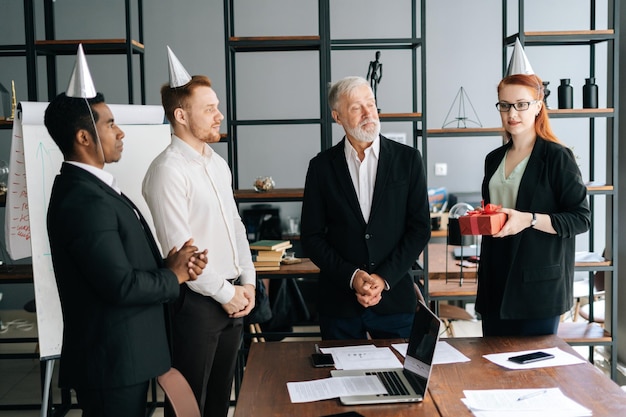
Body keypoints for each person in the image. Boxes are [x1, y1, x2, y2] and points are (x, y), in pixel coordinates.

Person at [45, 92, 207, 417]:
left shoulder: (96, 189)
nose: (121, 132)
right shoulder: (83, 199)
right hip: (110, 362)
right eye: (111, 124)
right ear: (83, 137)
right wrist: (172, 275)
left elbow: (120, 267)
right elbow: (120, 286)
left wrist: (176, 266)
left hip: (126, 358)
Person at [142, 74, 256, 417]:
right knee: (188, 405)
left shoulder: (217, 164)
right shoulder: (167, 171)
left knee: (220, 402)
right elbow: (182, 256)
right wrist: (227, 293)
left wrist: (247, 282)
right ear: (180, 116)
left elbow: (235, 225)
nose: (219, 115)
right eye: (209, 109)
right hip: (195, 304)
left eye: (217, 107)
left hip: (233, 296)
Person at [300, 76, 431, 340]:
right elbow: (311, 237)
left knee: (399, 380)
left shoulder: (408, 160)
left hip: (395, 301)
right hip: (339, 304)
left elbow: (419, 229)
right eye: (356, 107)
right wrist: (352, 276)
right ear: (338, 117)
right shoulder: (321, 167)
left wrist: (382, 279)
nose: (368, 113)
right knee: (339, 380)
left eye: (370, 104)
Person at [476, 72, 591, 337]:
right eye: (504, 105)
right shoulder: (493, 159)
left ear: (538, 106)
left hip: (537, 288)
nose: (511, 113)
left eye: (521, 104)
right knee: (493, 370)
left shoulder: (557, 157)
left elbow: (581, 218)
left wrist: (528, 219)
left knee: (534, 374)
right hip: (496, 281)